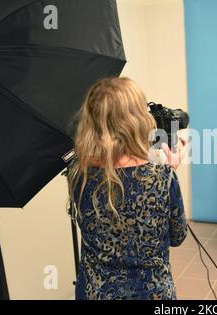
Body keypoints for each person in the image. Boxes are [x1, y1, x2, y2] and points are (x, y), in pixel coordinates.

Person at [67, 77, 188, 299]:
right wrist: (168, 175)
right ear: (138, 119)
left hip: (95, 292)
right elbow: (177, 236)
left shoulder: (77, 173)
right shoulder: (162, 176)